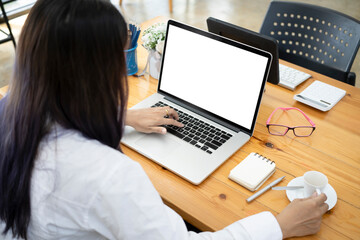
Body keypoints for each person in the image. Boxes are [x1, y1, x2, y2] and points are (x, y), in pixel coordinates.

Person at [0, 0, 328, 239]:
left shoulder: (10, 112)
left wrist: (123, 116)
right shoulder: (110, 176)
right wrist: (279, 226)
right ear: (102, 74)